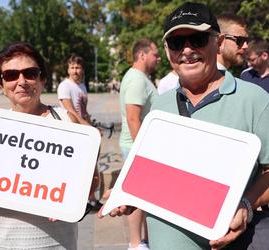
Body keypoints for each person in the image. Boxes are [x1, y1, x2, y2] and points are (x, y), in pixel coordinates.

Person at [100, 2, 269, 250]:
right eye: (177, 43)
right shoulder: (160, 106)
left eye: (198, 39)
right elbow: (153, 174)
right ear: (169, 51)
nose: (187, 50)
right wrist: (128, 195)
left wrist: (245, 204)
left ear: (218, 42)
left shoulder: (255, 99)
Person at [0, 42, 99, 249]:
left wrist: (74, 196)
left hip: (54, 242)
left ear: (42, 79)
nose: (21, 81)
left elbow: (92, 181)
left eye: (30, 73)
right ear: (1, 85)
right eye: (11, 75)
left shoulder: (66, 121)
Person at [119, 38, 160, 250]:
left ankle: (141, 241)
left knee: (141, 197)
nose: (158, 58)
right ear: (142, 55)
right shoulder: (137, 79)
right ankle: (136, 244)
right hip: (136, 147)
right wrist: (142, 151)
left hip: (136, 146)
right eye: (155, 54)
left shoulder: (138, 77)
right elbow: (133, 117)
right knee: (135, 196)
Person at [57, 53, 91, 125]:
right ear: (68, 70)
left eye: (77, 68)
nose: (75, 71)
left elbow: (84, 111)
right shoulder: (64, 85)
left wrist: (92, 127)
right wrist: (88, 127)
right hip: (71, 127)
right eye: (72, 68)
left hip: (82, 127)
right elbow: (70, 110)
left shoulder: (83, 87)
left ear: (82, 70)